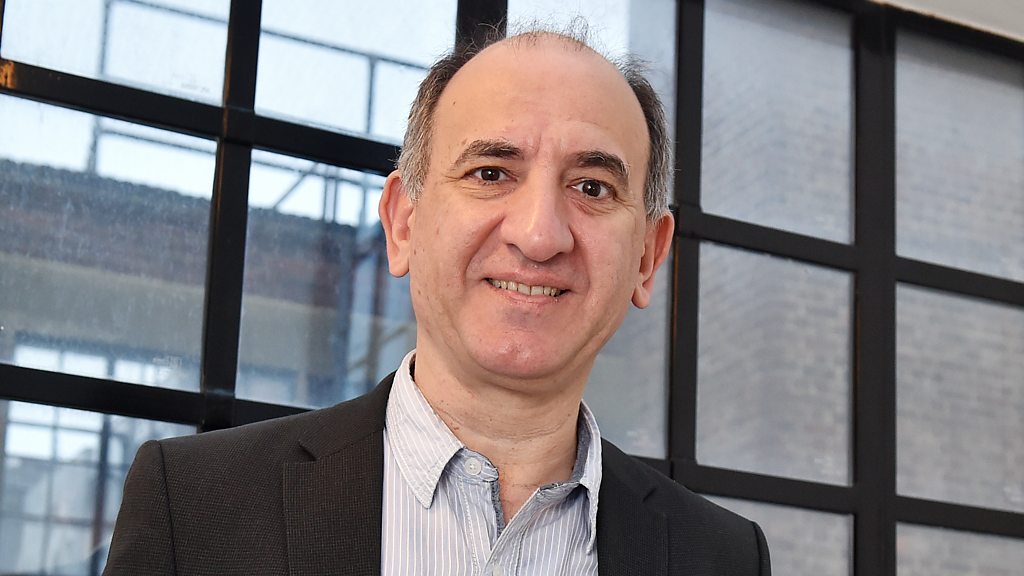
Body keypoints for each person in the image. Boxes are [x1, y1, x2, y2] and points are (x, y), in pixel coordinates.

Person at [103, 28, 770, 576]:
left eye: (592, 187)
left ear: (648, 255)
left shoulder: (722, 559)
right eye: (490, 173)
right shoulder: (195, 509)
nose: (539, 235)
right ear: (403, 223)